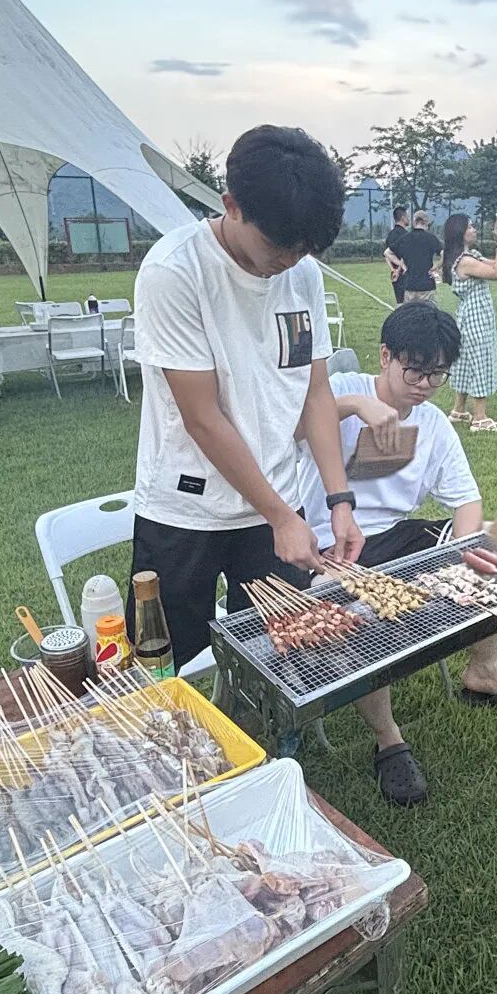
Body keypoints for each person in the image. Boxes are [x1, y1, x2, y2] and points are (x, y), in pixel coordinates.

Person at [129, 125, 363, 671]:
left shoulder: (301, 273)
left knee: (282, 657)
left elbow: (315, 391)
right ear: (231, 205)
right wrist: (280, 516)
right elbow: (203, 418)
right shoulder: (174, 272)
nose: (290, 261)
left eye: (303, 249)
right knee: (172, 665)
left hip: (277, 501)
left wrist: (339, 501)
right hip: (187, 509)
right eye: (279, 247)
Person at [296, 302, 497, 804]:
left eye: (437, 374)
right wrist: (356, 406)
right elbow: (293, 430)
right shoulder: (341, 388)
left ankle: (484, 671)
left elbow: (466, 500)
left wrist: (463, 555)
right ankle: (388, 740)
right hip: (333, 541)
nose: (425, 384)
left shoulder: (433, 422)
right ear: (385, 356)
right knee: (357, 614)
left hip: (397, 534)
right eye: (415, 369)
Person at [442, 212, 497, 433]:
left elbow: (495, 264)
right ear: (460, 232)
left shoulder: (467, 256)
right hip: (476, 317)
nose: (474, 229)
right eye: (470, 226)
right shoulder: (466, 261)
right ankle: (480, 418)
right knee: (481, 361)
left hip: (469, 315)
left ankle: (458, 410)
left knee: (464, 362)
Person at [395, 210, 442, 303]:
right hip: (427, 285)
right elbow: (445, 254)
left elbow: (388, 253)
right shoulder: (431, 238)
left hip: (410, 285)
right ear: (426, 222)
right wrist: (437, 266)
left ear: (414, 222)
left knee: (410, 311)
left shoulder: (405, 238)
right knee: (427, 311)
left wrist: (403, 266)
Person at [383, 205, 409, 305]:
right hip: (405, 273)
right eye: (407, 216)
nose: (408, 219)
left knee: (399, 302)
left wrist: (392, 269)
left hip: (395, 275)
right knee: (409, 303)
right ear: (402, 218)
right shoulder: (406, 235)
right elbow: (405, 255)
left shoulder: (390, 235)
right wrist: (399, 269)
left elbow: (387, 255)